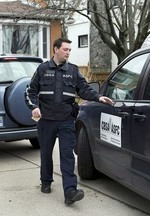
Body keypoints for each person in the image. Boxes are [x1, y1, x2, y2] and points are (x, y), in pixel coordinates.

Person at [25, 38, 113, 205]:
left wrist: (98, 97)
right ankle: (45, 181)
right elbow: (30, 91)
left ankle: (70, 191)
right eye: (65, 49)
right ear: (56, 49)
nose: (68, 52)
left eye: (70, 50)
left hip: (66, 120)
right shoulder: (43, 69)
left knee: (67, 155)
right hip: (46, 120)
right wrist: (34, 107)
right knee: (45, 153)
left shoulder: (73, 70)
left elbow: (85, 89)